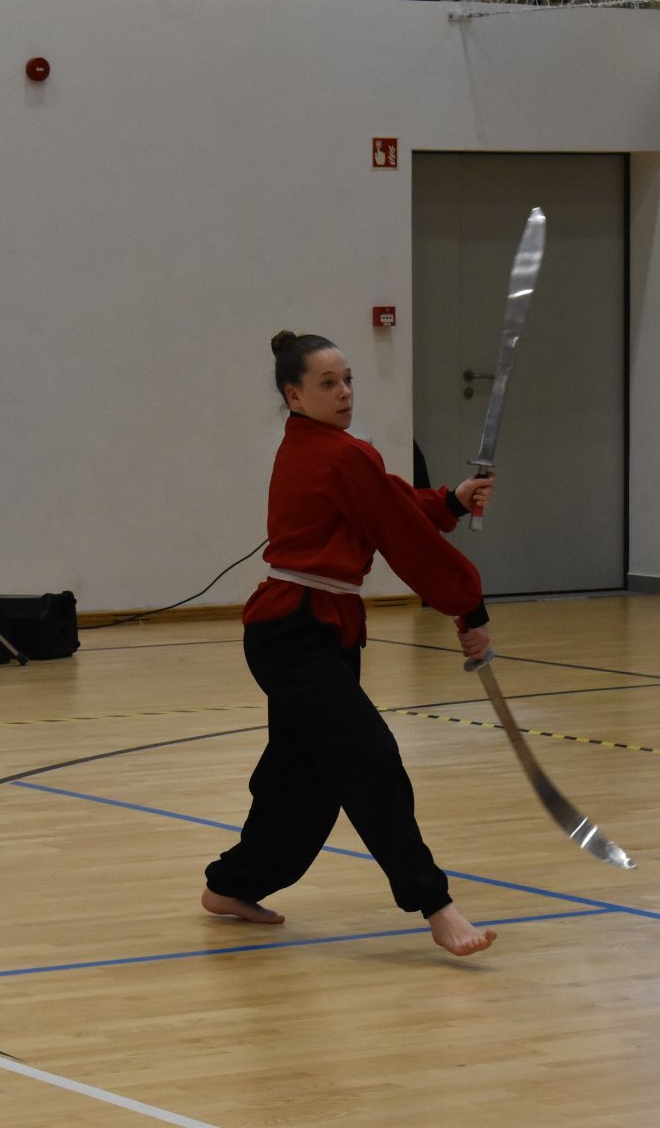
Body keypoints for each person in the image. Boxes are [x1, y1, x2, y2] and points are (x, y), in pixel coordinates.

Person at [201, 331, 500, 957]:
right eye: (328, 384)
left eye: (348, 380)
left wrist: (445, 500)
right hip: (294, 634)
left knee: (301, 781)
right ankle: (434, 902)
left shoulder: (330, 451)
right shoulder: (338, 454)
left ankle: (232, 885)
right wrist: (466, 603)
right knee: (368, 757)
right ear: (294, 394)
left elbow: (385, 504)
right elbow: (399, 534)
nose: (344, 394)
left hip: (317, 629)